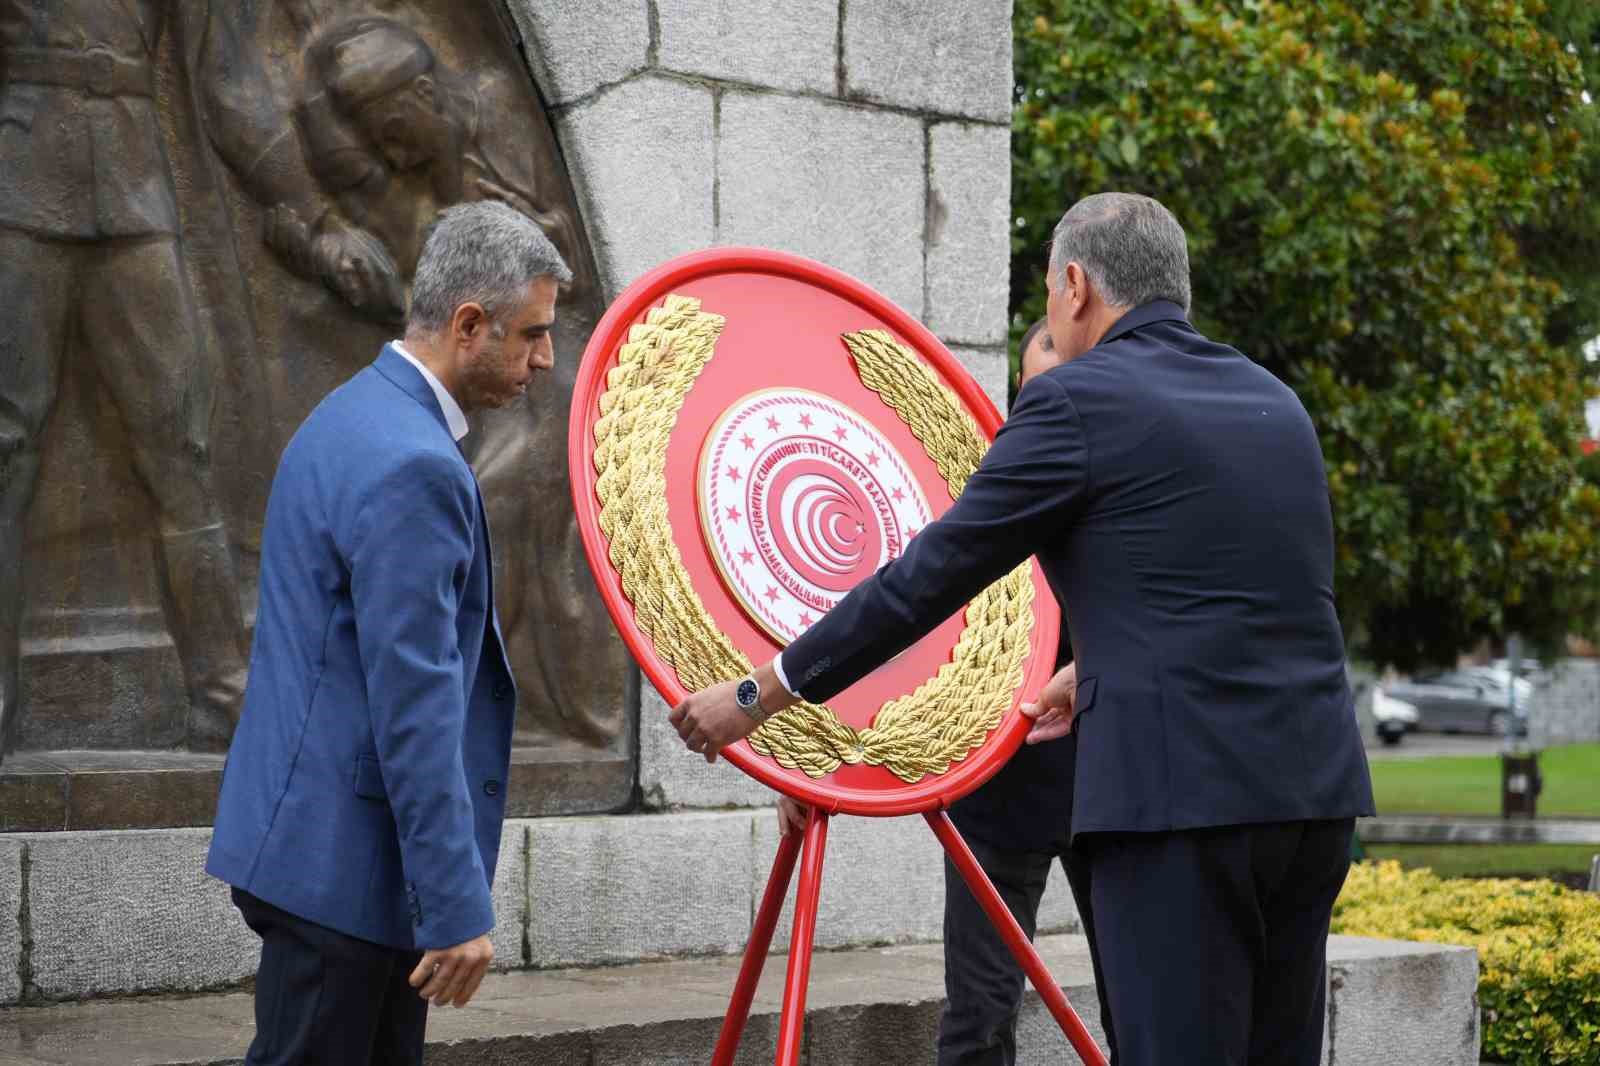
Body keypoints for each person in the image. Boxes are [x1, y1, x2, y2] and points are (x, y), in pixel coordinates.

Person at [674, 192, 1376, 1066]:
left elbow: (927, 578)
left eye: (1050, 293)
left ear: (1076, 285)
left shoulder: (1077, 400)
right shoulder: (1272, 399)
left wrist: (760, 692)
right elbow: (1259, 599)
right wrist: (1099, 668)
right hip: (1311, 800)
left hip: (1178, 807)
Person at [207, 201, 568, 1065]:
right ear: (469, 324)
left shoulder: (351, 411)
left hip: (314, 857)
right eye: (532, 334)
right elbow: (413, 706)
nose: (546, 358)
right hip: (347, 880)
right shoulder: (415, 463)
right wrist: (454, 907)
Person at [933, 318, 1118, 1066]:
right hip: (992, 789)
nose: (1047, 417)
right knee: (976, 1020)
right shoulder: (976, 485)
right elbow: (904, 609)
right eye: (1033, 399)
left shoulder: (1129, 485)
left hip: (1108, 783)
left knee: (1141, 1006)